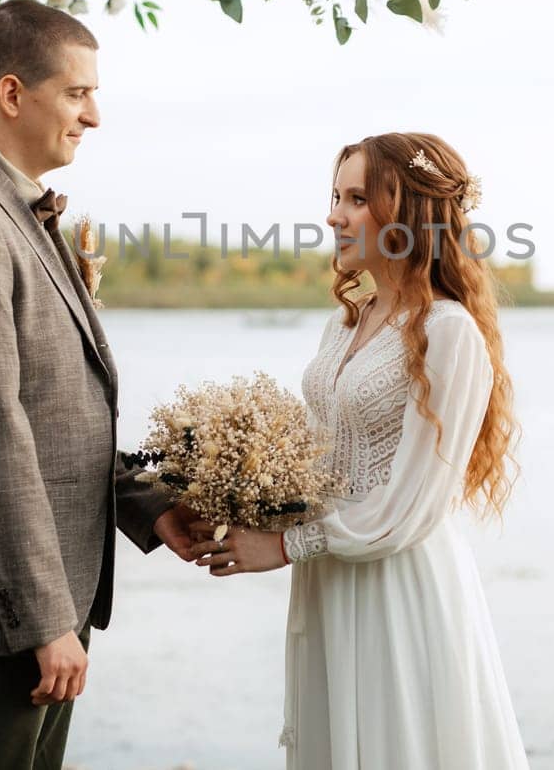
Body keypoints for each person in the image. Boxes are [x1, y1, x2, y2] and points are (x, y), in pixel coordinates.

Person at [0, 0, 199, 770]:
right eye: (77, 92)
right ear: (13, 94)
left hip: (37, 601)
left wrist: (150, 510)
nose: (94, 116)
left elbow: (55, 417)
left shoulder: (11, 208)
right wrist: (43, 619)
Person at [191, 132, 530, 768]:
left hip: (395, 585)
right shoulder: (348, 318)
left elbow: (409, 508)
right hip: (330, 576)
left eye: (355, 199)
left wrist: (287, 546)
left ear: (406, 213)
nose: (333, 215)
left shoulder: (448, 333)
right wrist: (233, 489)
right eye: (334, 196)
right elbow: (323, 460)